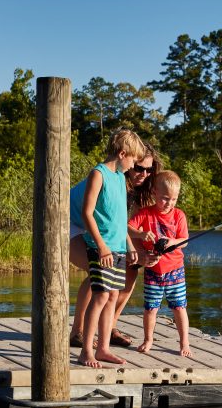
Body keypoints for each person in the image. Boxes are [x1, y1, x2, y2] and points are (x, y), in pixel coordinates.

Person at [68, 144, 162, 348]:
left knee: (131, 269)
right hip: (70, 221)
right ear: (127, 159)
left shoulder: (133, 188)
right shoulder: (110, 177)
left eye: (149, 170)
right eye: (139, 168)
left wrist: (141, 254)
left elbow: (122, 226)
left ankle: (109, 327)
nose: (144, 174)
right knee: (99, 271)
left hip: (97, 228)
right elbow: (97, 219)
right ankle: (78, 332)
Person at [129, 170, 192, 357]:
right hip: (153, 270)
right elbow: (128, 228)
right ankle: (148, 340)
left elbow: (185, 240)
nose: (169, 204)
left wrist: (170, 242)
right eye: (165, 198)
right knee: (151, 308)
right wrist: (140, 235)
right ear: (155, 192)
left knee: (179, 307)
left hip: (175, 270)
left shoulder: (179, 215)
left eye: (173, 199)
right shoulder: (145, 214)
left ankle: (185, 342)